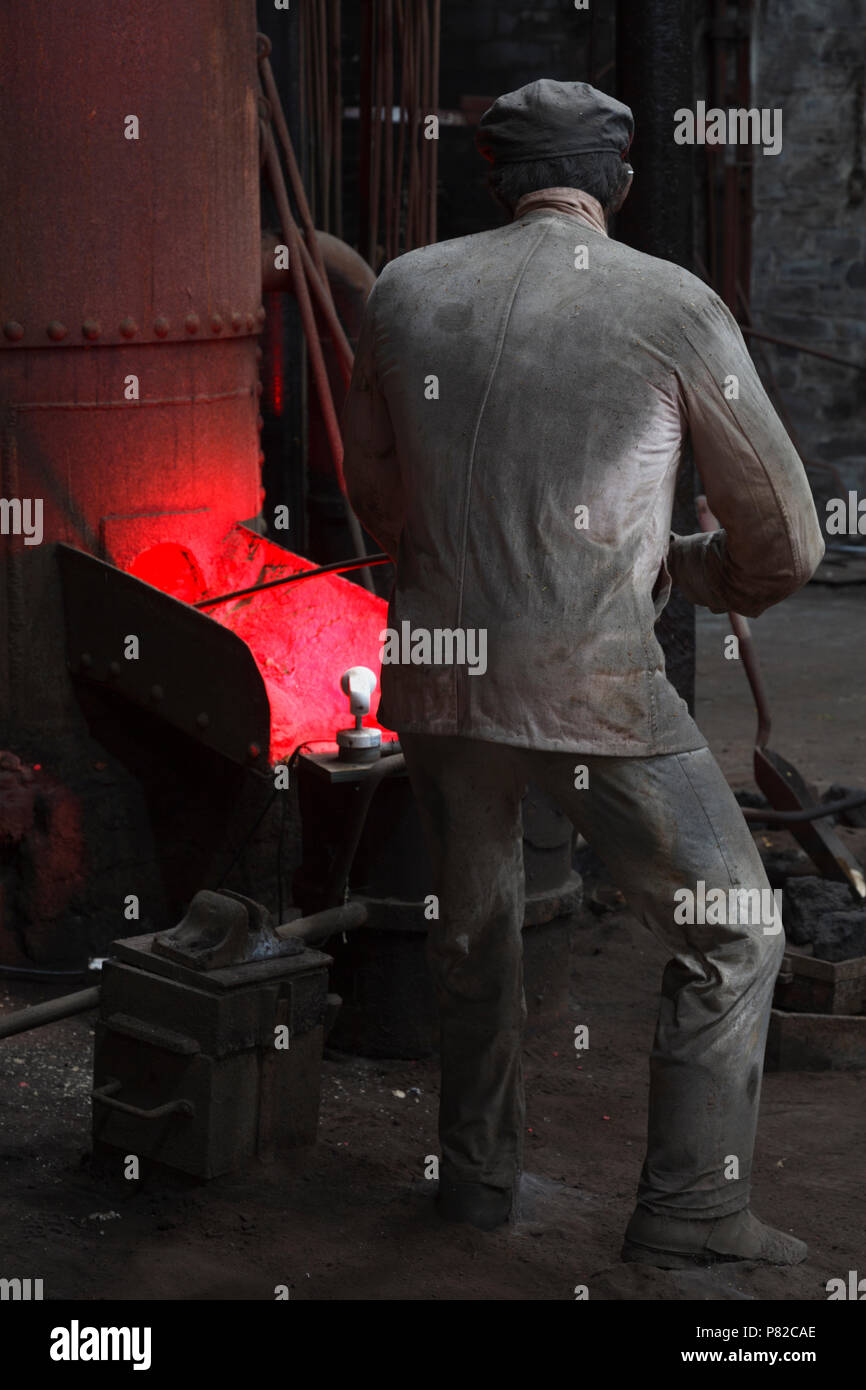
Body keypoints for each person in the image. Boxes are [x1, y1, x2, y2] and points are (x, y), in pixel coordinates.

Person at [341, 79, 824, 1266]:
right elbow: (791, 544)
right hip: (586, 679)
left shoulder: (405, 289)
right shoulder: (670, 303)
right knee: (734, 933)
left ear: (496, 182)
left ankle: (474, 1184)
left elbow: (377, 497)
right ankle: (692, 1217)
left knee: (476, 923)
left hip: (439, 677)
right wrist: (703, 573)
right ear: (612, 183)